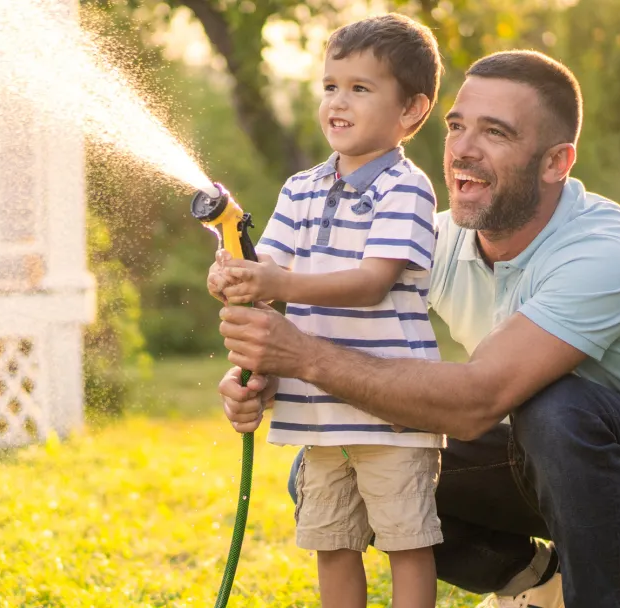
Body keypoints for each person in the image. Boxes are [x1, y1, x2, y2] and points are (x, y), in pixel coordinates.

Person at [215, 49, 620, 608]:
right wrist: (266, 375)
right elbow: (352, 333)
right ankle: (541, 584)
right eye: (456, 126)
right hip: (546, 466)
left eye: (495, 132)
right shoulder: (433, 240)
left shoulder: (604, 252)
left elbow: (478, 400)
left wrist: (302, 355)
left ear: (556, 163)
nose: (463, 150)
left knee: (558, 408)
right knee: (341, 460)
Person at [206, 13, 444, 608]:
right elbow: (269, 276)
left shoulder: (404, 188)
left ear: (411, 111)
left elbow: (371, 282)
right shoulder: (300, 188)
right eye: (331, 86)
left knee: (406, 544)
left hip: (394, 416)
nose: (339, 102)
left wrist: (274, 277)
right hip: (317, 414)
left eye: (361, 89)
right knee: (331, 543)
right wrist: (230, 272)